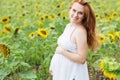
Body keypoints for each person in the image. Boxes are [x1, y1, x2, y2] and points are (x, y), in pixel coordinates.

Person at [49, 0, 98, 80]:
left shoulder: (80, 32)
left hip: (73, 73)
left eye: (80, 13)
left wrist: (62, 52)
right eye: (74, 10)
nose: (75, 15)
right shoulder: (69, 26)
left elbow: (82, 59)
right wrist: (54, 65)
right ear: (70, 9)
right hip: (63, 71)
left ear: (84, 16)